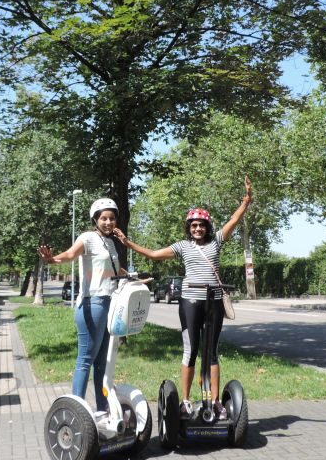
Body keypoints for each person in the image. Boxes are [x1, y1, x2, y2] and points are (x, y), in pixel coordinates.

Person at [114, 177, 252, 419]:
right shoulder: (182, 246)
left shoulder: (216, 242)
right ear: (188, 228)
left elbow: (233, 221)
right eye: (193, 225)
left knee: (212, 352)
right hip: (190, 302)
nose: (198, 229)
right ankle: (186, 401)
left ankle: (215, 401)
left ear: (207, 227)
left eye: (201, 225)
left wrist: (246, 202)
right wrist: (128, 243)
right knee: (191, 350)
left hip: (214, 302)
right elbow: (154, 254)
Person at [38, 198, 126, 414]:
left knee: (102, 362)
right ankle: (76, 410)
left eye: (112, 218)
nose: (108, 222)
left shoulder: (111, 242)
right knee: (85, 360)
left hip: (110, 303)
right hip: (93, 303)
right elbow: (70, 254)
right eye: (104, 218)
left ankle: (102, 408)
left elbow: (114, 270)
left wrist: (135, 277)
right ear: (95, 220)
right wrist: (52, 260)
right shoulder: (88, 238)